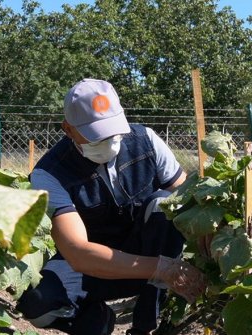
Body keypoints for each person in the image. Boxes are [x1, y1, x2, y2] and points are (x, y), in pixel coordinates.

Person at [16, 79, 206, 335]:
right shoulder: (49, 174)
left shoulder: (147, 140)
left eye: (112, 130)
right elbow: (79, 252)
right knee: (39, 304)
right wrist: (163, 269)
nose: (108, 140)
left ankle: (146, 327)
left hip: (149, 254)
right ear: (68, 130)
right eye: (95, 134)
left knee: (165, 204)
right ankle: (97, 320)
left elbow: (189, 201)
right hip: (94, 267)